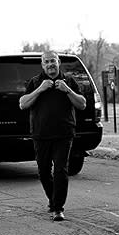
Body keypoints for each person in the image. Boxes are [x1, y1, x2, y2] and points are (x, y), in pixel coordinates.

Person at [19, 51, 86, 222]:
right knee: (43, 171)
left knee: (60, 170)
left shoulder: (69, 81)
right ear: (42, 65)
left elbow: (82, 104)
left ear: (59, 62)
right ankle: (53, 199)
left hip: (64, 133)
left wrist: (68, 90)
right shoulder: (35, 82)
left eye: (53, 61)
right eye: (47, 62)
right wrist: (40, 90)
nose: (50, 64)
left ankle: (58, 208)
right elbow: (23, 104)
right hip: (41, 134)